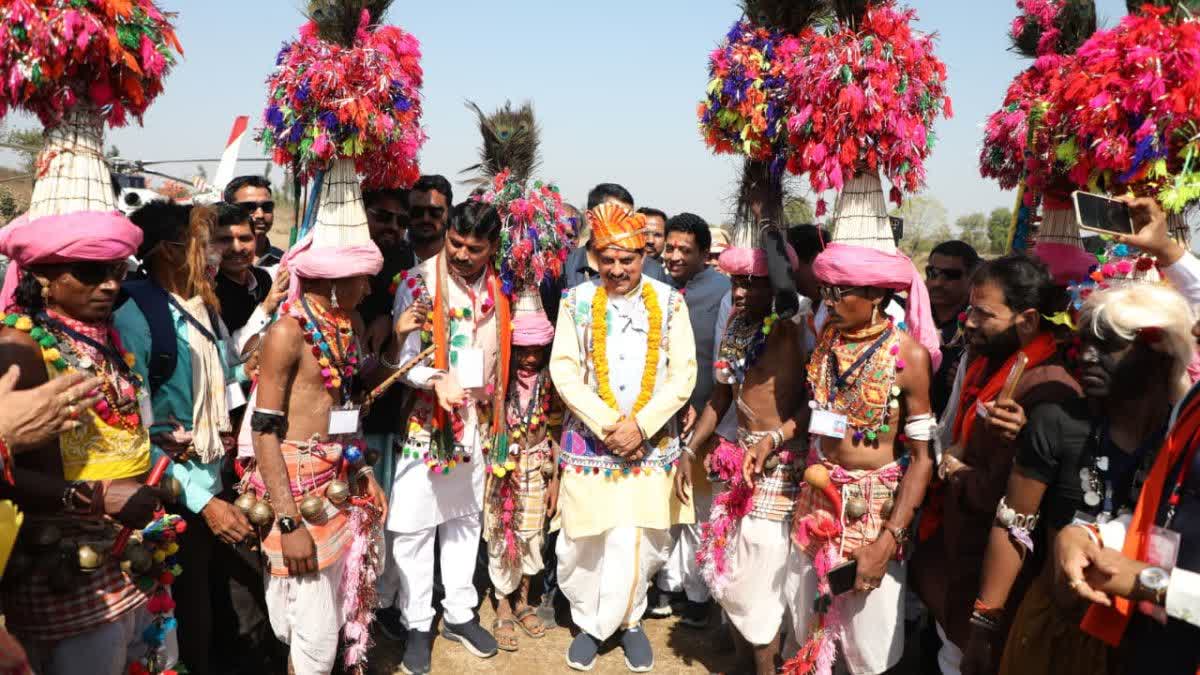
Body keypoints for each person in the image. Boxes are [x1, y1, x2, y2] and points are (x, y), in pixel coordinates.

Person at [962, 283, 1194, 675]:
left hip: (1145, 646)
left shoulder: (1183, 440)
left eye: (1107, 346)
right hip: (1053, 634)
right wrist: (983, 629)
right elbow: (1013, 524)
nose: (1087, 357)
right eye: (1085, 342)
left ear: (1160, 353)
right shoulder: (1058, 421)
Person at [0, 210, 174, 673]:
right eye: (91, 273)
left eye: (117, 271)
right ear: (41, 277)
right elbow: (3, 473)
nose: (111, 286)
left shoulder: (106, 339)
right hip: (66, 566)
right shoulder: (20, 350)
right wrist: (91, 495)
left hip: (135, 550)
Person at [784, 215, 940, 674]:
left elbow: (922, 460)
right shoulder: (826, 340)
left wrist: (888, 540)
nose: (828, 300)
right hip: (817, 501)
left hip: (872, 514)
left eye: (839, 292)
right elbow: (817, 413)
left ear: (876, 295)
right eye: (826, 290)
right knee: (811, 626)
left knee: (868, 650)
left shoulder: (908, 356)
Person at [911, 254, 1080, 675]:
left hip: (991, 574)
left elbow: (997, 495)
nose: (969, 322)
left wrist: (952, 467)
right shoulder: (992, 362)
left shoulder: (1046, 388)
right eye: (970, 310)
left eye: (984, 314)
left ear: (1026, 320)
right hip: (959, 552)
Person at [550, 203, 697, 672]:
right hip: (592, 444)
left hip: (650, 445)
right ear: (593, 256)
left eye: (627, 259)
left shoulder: (670, 301)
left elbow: (683, 373)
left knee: (638, 538)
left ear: (643, 255)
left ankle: (624, 622)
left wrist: (643, 426)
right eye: (607, 259)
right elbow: (565, 371)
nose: (617, 269)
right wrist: (608, 425)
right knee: (583, 539)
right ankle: (590, 615)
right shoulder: (575, 301)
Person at [115, 202, 257, 675]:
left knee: (226, 608)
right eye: (204, 242)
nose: (216, 253)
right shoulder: (136, 319)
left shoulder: (205, 306)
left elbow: (227, 375)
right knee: (185, 617)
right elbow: (133, 433)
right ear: (168, 251)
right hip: (176, 495)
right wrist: (204, 503)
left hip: (216, 479)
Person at [246, 216, 392, 675]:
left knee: (336, 612)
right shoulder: (287, 332)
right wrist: (289, 522)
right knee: (312, 636)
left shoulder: (347, 322)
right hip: (296, 488)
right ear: (331, 282)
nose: (368, 289)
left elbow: (346, 406)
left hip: (339, 479)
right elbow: (263, 429)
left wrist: (364, 472)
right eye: (362, 279)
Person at [381, 201, 505, 674]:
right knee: (412, 528)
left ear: (492, 247)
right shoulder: (416, 283)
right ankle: (416, 623)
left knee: (464, 521)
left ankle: (459, 613)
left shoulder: (497, 289)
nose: (463, 255)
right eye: (456, 243)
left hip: (477, 422)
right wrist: (437, 381)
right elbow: (404, 360)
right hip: (426, 424)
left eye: (475, 248)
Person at [680, 242, 808, 675]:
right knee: (728, 565)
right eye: (736, 282)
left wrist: (773, 440)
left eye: (752, 284)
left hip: (780, 466)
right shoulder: (736, 325)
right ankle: (741, 663)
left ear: (775, 287)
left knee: (761, 576)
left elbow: (812, 408)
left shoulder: (793, 331)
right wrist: (689, 449)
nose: (739, 293)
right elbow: (720, 397)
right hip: (736, 460)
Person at [651, 212, 730, 625]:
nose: (675, 256)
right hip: (660, 417)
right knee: (665, 505)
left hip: (705, 416)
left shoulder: (723, 291)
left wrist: (705, 413)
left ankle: (698, 595)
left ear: (704, 253)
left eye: (685, 250)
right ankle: (665, 584)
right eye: (671, 248)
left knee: (699, 507)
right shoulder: (656, 286)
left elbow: (720, 359)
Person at [483, 306, 561, 651]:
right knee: (501, 532)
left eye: (537, 351)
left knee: (533, 535)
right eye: (523, 351)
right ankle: (502, 602)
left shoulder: (553, 381)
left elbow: (557, 430)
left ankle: (522, 602)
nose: (530, 358)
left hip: (539, 465)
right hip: (503, 463)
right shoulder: (497, 381)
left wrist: (555, 477)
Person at [562, 184, 669, 288]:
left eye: (628, 220)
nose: (624, 227)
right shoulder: (565, 267)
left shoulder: (652, 271)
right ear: (591, 219)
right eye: (616, 217)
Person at [211, 202, 288, 337]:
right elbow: (228, 352)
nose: (237, 248)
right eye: (225, 240)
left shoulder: (263, 279)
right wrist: (265, 309)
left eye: (244, 238)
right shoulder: (208, 291)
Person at [926, 241, 981, 418]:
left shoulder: (979, 324)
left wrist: (969, 380)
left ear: (971, 278)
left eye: (950, 275)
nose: (937, 283)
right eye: (932, 273)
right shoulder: (907, 313)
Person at [224, 176, 284, 269]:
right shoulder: (215, 262)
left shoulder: (285, 263)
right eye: (249, 207)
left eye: (266, 207)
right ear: (228, 210)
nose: (260, 215)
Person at [406, 175, 452, 263]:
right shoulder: (387, 259)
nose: (425, 219)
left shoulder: (459, 262)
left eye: (435, 212)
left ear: (448, 212)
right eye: (417, 212)